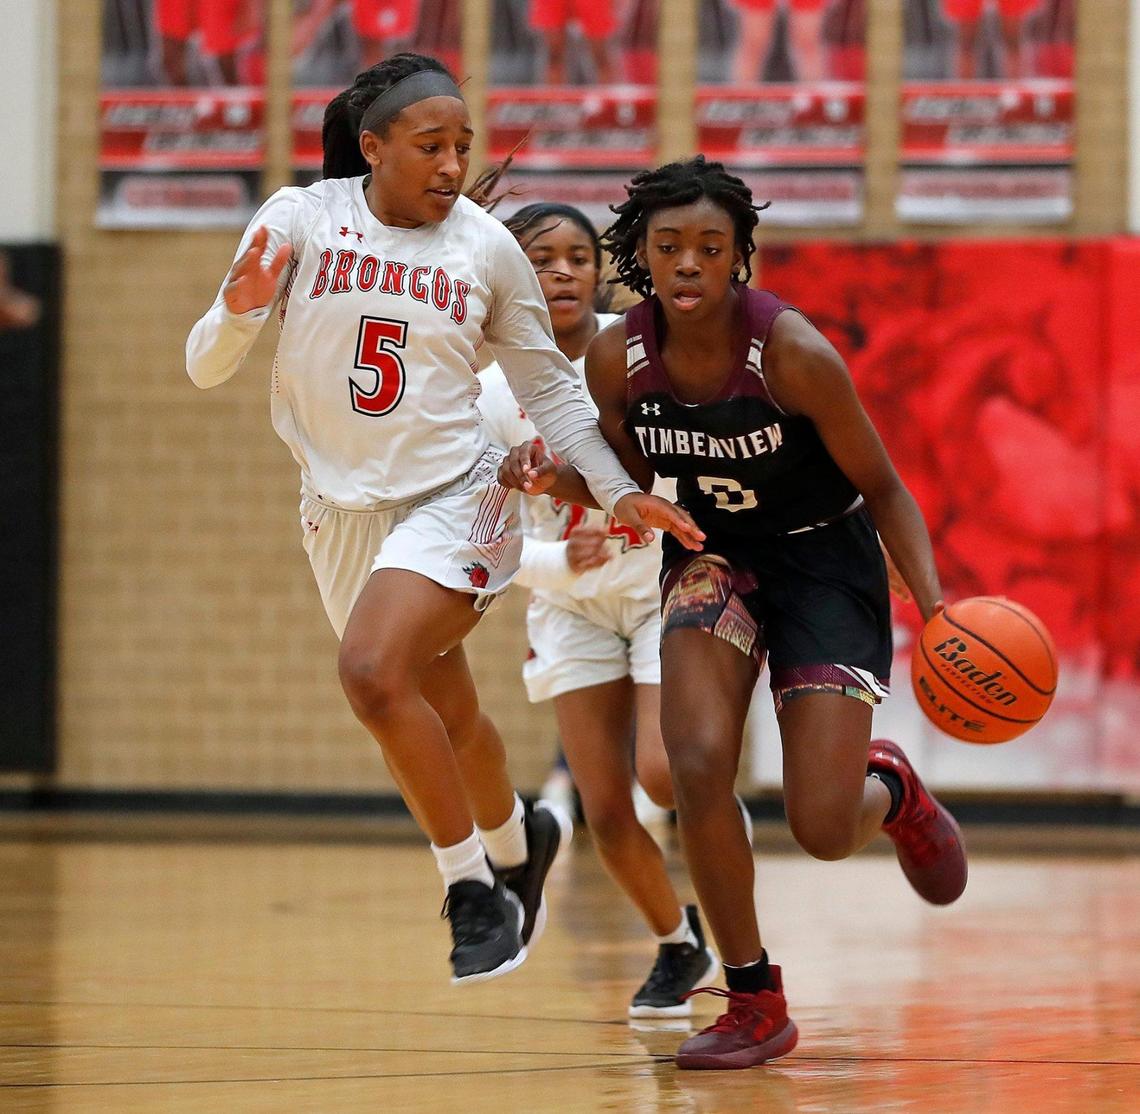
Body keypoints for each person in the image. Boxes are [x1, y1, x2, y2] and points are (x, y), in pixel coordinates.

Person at [185, 53, 700, 986]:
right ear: (372, 148)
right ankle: (522, 838)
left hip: (456, 492)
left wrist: (617, 490)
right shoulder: (301, 217)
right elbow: (204, 366)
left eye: (463, 146)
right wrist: (233, 310)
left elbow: (552, 391)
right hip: (337, 506)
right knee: (443, 708)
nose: (454, 165)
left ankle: (472, 888)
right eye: (431, 146)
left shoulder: (482, 247)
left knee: (371, 673)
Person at [498, 155, 967, 1068]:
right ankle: (753, 996)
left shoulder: (790, 351)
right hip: (714, 561)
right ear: (640, 253)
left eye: (710, 247)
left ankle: (895, 792)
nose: (687, 263)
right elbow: (627, 476)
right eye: (668, 245)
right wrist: (555, 478)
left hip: (825, 563)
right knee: (696, 761)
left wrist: (939, 611)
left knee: (823, 829)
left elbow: (884, 486)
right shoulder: (617, 357)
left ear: (737, 257)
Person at [478, 202, 722, 1018]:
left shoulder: (642, 355)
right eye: (540, 258)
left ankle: (743, 922)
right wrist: (558, 556)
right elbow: (485, 543)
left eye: (578, 257)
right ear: (510, 272)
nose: (561, 272)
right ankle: (678, 943)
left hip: (662, 585)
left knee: (666, 770)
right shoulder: (484, 395)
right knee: (606, 810)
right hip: (569, 606)